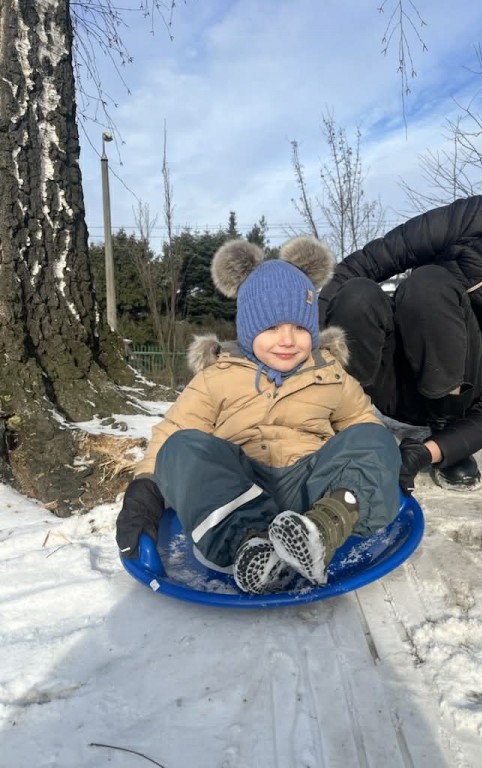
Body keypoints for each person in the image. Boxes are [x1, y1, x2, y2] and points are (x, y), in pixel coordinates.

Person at [116, 236, 401, 595]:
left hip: (311, 491)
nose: (287, 340)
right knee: (181, 447)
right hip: (238, 490)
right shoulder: (218, 376)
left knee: (374, 436)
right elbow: (173, 431)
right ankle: (249, 544)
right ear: (248, 330)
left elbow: (361, 425)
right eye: (271, 328)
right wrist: (144, 493)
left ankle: (320, 530)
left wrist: (379, 466)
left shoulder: (328, 373)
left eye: (299, 328)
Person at [318, 182, 482, 493]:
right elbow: (369, 261)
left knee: (431, 285)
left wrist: (431, 451)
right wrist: (307, 331)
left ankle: (447, 432)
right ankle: (342, 416)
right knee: (357, 295)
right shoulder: (477, 217)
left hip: (459, 401)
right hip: (390, 380)